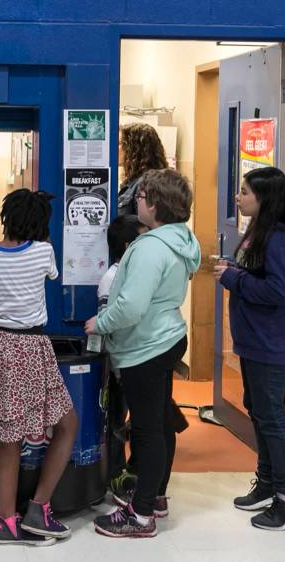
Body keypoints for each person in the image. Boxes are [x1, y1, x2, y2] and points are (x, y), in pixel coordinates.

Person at [85, 169, 201, 538]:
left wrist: (99, 324)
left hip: (146, 347)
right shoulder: (181, 240)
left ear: (154, 203)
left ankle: (141, 514)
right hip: (166, 338)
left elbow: (131, 307)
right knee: (161, 424)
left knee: (148, 431)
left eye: (141, 195)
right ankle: (155, 495)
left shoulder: (150, 247)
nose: (136, 200)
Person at [0, 189, 79, 547]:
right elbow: (49, 276)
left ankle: (6, 521)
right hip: (33, 346)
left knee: (8, 441)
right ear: (39, 224)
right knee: (67, 424)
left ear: (5, 217)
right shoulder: (44, 252)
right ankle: (38, 507)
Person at [214, 167, 285, 531]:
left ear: (264, 197)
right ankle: (268, 480)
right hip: (254, 338)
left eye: (244, 192)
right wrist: (234, 270)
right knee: (257, 408)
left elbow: (278, 291)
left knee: (271, 415)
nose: (237, 197)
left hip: (270, 339)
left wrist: (232, 277)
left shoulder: (279, 237)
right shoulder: (259, 231)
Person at [98, 214, 148, 498]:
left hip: (139, 359)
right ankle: (117, 476)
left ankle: (133, 470)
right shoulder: (112, 279)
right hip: (121, 363)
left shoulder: (135, 274)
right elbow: (110, 323)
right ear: (129, 246)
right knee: (117, 422)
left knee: (135, 421)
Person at [117, 123, 168, 216]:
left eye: (120, 143)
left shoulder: (145, 184)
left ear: (135, 149)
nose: (114, 147)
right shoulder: (134, 181)